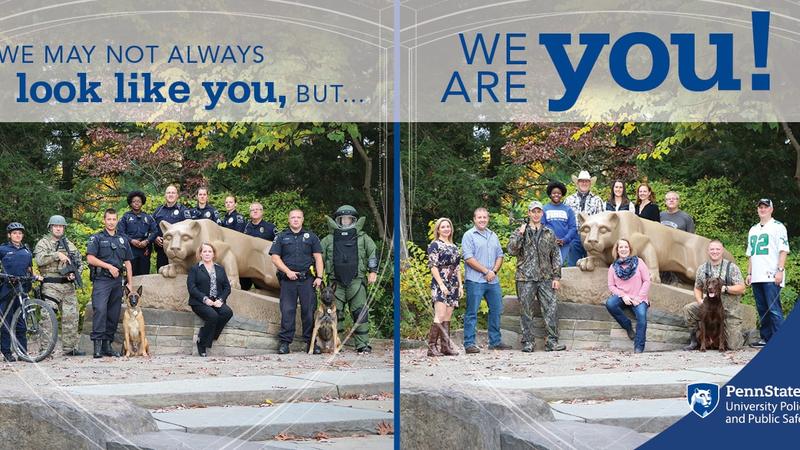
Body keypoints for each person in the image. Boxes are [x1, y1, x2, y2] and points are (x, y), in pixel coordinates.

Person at [508, 201, 566, 352]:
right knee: (526, 312)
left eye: (538, 211)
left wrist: (556, 277)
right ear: (529, 213)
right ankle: (528, 342)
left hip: (546, 277)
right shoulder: (520, 231)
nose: (536, 214)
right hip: (525, 277)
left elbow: (556, 256)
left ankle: (552, 342)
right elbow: (512, 250)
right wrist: (520, 234)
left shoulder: (549, 232)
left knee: (551, 309)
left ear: (542, 214)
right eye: (533, 211)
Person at [321, 205, 379, 354]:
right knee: (335, 313)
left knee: (360, 312)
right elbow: (318, 258)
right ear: (337, 220)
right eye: (342, 219)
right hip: (335, 283)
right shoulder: (328, 239)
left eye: (349, 219)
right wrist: (317, 276)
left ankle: (362, 345)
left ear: (354, 220)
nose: (345, 222)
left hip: (357, 281)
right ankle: (336, 343)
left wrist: (373, 271)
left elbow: (372, 253)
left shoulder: (363, 238)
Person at [269, 209, 324, 355]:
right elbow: (275, 258)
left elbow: (318, 258)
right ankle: (285, 343)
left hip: (307, 280)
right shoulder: (281, 237)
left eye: (298, 217)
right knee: (287, 311)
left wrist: (319, 277)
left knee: (308, 312)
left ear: (302, 219)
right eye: (293, 217)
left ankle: (310, 343)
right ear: (289, 220)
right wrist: (287, 272)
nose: (295, 220)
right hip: (288, 280)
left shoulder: (311, 237)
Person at [34, 215, 84, 356]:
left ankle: (69, 348)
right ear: (50, 228)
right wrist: (57, 255)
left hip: (68, 286)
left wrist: (74, 274)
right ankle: (45, 350)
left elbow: (79, 263)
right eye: (55, 226)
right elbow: (39, 259)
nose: (58, 228)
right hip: (51, 285)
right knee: (48, 318)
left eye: (61, 226)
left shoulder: (70, 245)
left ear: (64, 228)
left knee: (71, 317)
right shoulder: (44, 243)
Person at [86, 209, 134, 358]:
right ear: (104, 220)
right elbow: (90, 258)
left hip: (117, 282)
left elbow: (127, 262)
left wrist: (130, 284)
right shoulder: (97, 238)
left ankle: (108, 345)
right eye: (109, 219)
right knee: (100, 310)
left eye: (114, 219)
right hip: (102, 280)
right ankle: (98, 347)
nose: (111, 222)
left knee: (113, 314)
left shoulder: (122, 239)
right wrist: (108, 266)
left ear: (117, 220)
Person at [682, 239, 746, 350]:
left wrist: (725, 288)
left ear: (722, 251)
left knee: (733, 346)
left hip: (729, 309)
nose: (715, 251)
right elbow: (697, 288)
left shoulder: (731, 267)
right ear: (708, 251)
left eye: (717, 249)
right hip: (709, 306)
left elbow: (742, 288)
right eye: (712, 249)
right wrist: (700, 301)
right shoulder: (702, 268)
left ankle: (743, 335)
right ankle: (694, 340)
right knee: (688, 309)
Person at [746, 198, 790, 347]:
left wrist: (780, 270)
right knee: (762, 309)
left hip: (771, 275)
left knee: (774, 309)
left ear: (771, 209)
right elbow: (751, 253)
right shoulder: (753, 229)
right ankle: (766, 338)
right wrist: (749, 273)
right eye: (760, 207)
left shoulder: (778, 227)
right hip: (757, 276)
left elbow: (783, 250)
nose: (762, 209)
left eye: (765, 207)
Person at [462, 207, 507, 354]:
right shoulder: (469, 235)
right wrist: (485, 271)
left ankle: (495, 342)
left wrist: (493, 271)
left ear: (488, 219)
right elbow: (468, 258)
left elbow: (500, 255)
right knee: (472, 312)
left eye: (485, 217)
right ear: (474, 219)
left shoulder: (493, 235)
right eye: (479, 217)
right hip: (475, 280)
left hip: (493, 280)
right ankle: (469, 343)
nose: (482, 220)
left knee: (496, 310)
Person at [0, 223, 40, 362]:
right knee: (7, 321)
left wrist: (35, 276)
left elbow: (29, 269)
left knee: (22, 322)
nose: (18, 235)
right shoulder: (3, 249)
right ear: (9, 235)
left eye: (20, 233)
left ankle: (22, 352)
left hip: (22, 290)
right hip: (6, 290)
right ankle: (6, 352)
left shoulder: (26, 251)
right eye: (15, 233)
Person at [605, 238, 651, 353]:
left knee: (642, 318)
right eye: (621, 247)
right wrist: (623, 296)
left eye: (626, 247)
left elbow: (646, 281)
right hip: (623, 297)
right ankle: (627, 326)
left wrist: (638, 298)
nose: (623, 249)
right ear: (617, 250)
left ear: (629, 249)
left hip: (638, 297)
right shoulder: (613, 267)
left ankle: (638, 347)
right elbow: (611, 286)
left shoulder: (639, 262)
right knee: (610, 304)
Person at [187, 242, 233, 357]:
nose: (207, 254)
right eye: (204, 251)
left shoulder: (220, 269)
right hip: (199, 302)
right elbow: (192, 288)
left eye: (209, 251)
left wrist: (221, 300)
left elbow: (227, 287)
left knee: (227, 312)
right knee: (213, 316)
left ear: (213, 254)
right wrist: (205, 299)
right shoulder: (195, 269)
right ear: (200, 254)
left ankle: (207, 335)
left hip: (216, 301)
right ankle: (202, 344)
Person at [425, 218, 461, 357]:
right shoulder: (435, 245)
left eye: (448, 226)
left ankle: (445, 347)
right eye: (443, 227)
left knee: (447, 315)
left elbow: (457, 268)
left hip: (453, 283)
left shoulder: (454, 246)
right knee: (439, 314)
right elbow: (433, 266)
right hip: (440, 281)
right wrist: (441, 284)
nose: (446, 229)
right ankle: (432, 347)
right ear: (438, 229)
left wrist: (460, 285)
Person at [564, 170, 604, 266]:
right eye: (582, 181)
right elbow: (565, 220)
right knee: (573, 265)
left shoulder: (597, 200)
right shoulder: (569, 200)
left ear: (590, 183)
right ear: (577, 183)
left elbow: (601, 220)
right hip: (574, 236)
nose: (584, 183)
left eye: (586, 181)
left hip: (591, 237)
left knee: (591, 264)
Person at [151, 185, 191, 270]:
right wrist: (155, 237)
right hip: (161, 249)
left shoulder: (183, 211)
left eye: (173, 193)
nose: (171, 195)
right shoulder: (158, 211)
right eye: (168, 192)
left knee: (177, 275)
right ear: (165, 195)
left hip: (177, 250)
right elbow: (151, 227)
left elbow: (189, 228)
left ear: (177, 196)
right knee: (162, 273)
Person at [118, 191, 157, 276]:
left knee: (144, 275)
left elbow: (155, 231)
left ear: (142, 202)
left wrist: (147, 241)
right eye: (134, 201)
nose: (136, 203)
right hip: (130, 250)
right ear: (130, 203)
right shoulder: (125, 217)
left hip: (145, 250)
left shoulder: (148, 217)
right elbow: (120, 232)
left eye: (138, 201)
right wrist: (131, 240)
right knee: (131, 274)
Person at [240, 202, 277, 290]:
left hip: (263, 267)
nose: (255, 211)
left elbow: (277, 244)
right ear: (250, 213)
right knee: (242, 289)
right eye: (252, 210)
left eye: (257, 209)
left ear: (262, 212)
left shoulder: (271, 227)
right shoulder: (245, 227)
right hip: (247, 265)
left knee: (264, 291)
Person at [542, 181, 576, 266]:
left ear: (562, 195)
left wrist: (564, 239)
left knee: (561, 266)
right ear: (550, 194)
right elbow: (542, 226)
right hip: (549, 244)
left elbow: (573, 227)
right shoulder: (544, 209)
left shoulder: (568, 210)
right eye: (554, 193)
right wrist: (551, 239)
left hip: (565, 245)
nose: (556, 195)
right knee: (550, 266)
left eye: (559, 193)